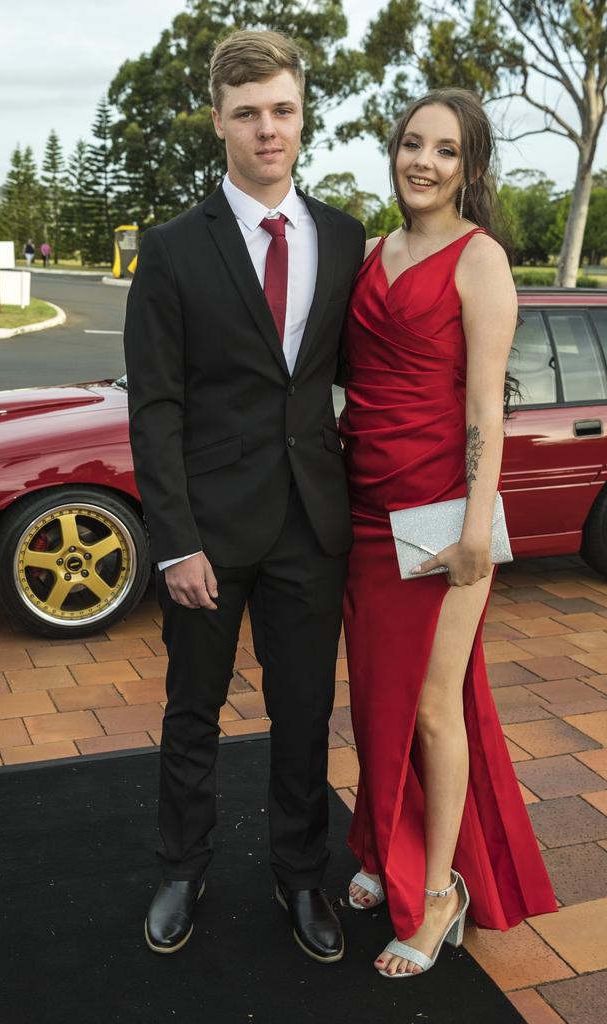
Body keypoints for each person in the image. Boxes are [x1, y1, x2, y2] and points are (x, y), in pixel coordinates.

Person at [123, 29, 365, 962]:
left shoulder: (343, 238)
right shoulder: (175, 248)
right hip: (210, 535)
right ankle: (182, 867)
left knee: (304, 714)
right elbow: (157, 406)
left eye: (284, 110)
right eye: (249, 114)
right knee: (193, 709)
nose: (269, 130)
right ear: (219, 122)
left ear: (303, 114)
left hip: (313, 524)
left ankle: (301, 877)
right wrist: (175, 542)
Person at [339, 88, 557, 978]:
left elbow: (485, 410)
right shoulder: (369, 251)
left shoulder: (482, 261)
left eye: (445, 150)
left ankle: (439, 894)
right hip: (363, 511)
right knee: (377, 697)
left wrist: (475, 529)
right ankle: (378, 838)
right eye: (411, 144)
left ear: (470, 167)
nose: (422, 162)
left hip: (440, 517)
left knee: (434, 705)